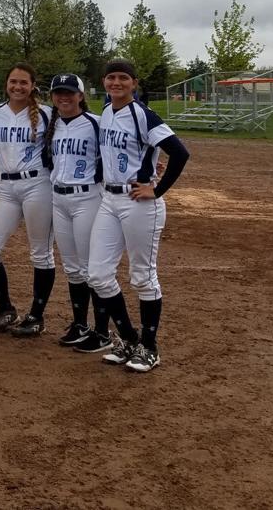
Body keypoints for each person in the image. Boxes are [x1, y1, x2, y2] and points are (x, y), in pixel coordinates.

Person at [87, 58, 190, 372]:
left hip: (139, 203)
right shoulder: (106, 111)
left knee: (143, 277)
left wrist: (155, 190)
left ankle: (150, 347)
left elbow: (180, 152)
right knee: (99, 275)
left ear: (133, 83)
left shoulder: (142, 114)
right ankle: (130, 339)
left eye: (123, 78)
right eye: (111, 78)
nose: (116, 83)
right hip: (109, 198)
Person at [0, 63, 55, 335]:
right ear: (6, 84)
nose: (18, 87)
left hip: (38, 185)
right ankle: (6, 307)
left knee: (41, 254)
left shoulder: (47, 114)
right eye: (13, 82)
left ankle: (36, 316)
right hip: (6, 187)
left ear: (33, 85)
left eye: (23, 82)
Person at [41, 73, 103, 344]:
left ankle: (102, 332)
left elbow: (129, 146)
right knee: (73, 268)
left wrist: (150, 169)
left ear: (81, 95)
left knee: (91, 268)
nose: (64, 97)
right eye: (58, 93)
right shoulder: (52, 125)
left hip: (87, 198)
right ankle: (80, 325)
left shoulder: (95, 124)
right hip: (59, 199)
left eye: (69, 92)